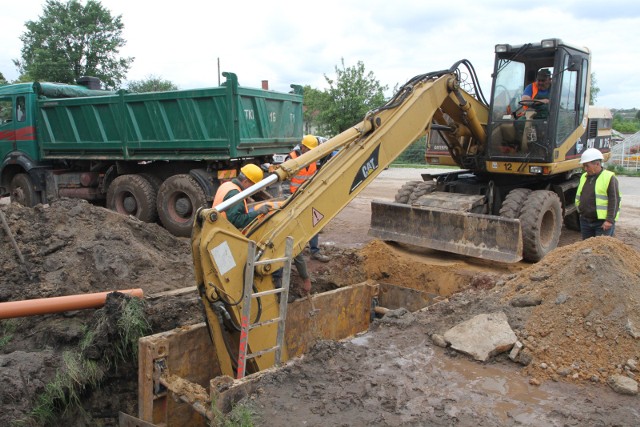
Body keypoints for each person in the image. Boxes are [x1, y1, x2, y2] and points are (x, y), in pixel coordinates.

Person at [214, 164, 313, 296]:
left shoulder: (227, 186)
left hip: (218, 233)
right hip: (225, 237)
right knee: (231, 276)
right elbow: (236, 220)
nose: (254, 191)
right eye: (253, 186)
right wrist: (305, 278)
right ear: (246, 181)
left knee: (226, 276)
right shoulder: (235, 194)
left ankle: (228, 295)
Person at [286, 134, 331, 262]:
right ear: (303, 147)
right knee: (292, 224)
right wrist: (288, 199)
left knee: (313, 220)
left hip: (307, 195)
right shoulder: (291, 158)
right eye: (309, 149)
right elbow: (285, 181)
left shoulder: (313, 158)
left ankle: (314, 251)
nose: (312, 152)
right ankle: (292, 252)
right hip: (293, 197)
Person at [575, 148, 621, 239]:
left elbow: (614, 200)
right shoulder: (584, 177)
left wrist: (609, 220)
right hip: (585, 220)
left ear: (597, 164)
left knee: (601, 250)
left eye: (587, 166)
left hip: (602, 223)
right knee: (586, 249)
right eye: (584, 166)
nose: (585, 168)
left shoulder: (609, 177)